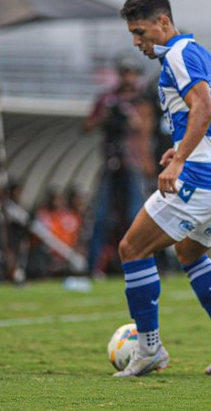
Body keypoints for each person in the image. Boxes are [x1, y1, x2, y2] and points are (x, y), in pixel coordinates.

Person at [113, 0, 211, 378]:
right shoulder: (206, 57)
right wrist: (185, 147)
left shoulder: (175, 55)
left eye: (140, 32)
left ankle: (149, 349)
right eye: (132, 35)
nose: (137, 42)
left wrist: (182, 159)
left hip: (203, 176)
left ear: (164, 23)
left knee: (132, 249)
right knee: (189, 253)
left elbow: (204, 108)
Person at [84, 58, 156, 276]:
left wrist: (131, 117)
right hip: (110, 161)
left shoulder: (142, 100)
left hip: (133, 162)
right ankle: (93, 268)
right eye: (124, 72)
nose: (128, 77)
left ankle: (137, 265)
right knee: (101, 216)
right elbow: (87, 125)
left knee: (135, 215)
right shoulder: (107, 98)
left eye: (131, 72)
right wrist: (106, 116)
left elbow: (145, 131)